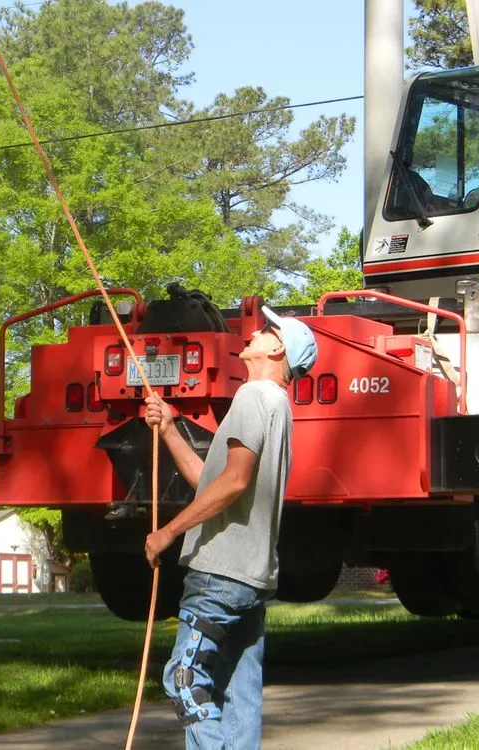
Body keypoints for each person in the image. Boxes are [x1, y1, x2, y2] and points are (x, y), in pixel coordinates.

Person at [143, 305, 318, 750]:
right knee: (239, 697)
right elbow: (212, 480)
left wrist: (169, 532)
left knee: (184, 680)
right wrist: (168, 429)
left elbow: (235, 483)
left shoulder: (254, 396)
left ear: (278, 348)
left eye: (264, 329)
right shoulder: (276, 406)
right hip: (251, 578)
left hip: (219, 575)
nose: (253, 332)